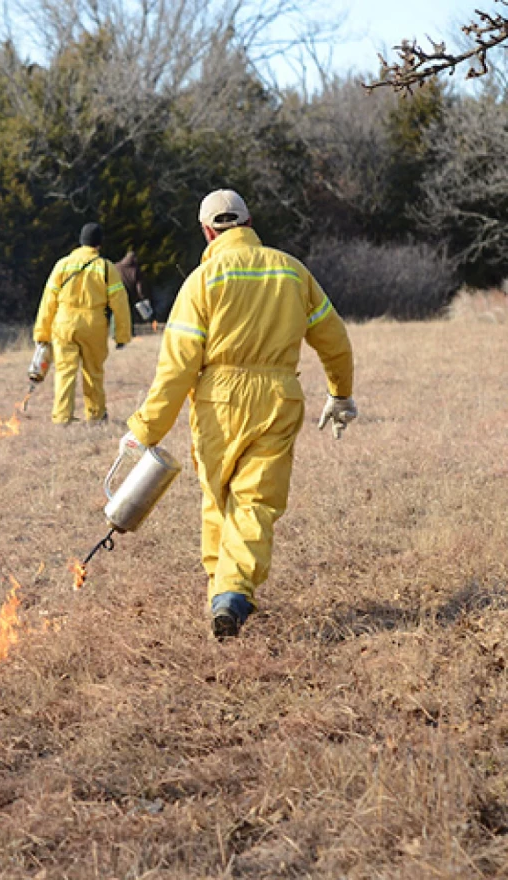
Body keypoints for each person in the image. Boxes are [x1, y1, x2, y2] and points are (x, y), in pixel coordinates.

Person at [119, 190, 356, 639]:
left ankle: (222, 590)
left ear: (208, 232)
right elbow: (334, 339)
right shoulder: (292, 270)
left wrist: (144, 428)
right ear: (250, 221)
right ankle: (230, 592)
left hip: (217, 401)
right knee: (255, 500)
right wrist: (340, 394)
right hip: (279, 398)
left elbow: (177, 367)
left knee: (217, 497)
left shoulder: (201, 280)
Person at [32, 223, 132, 424]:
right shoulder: (106, 267)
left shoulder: (62, 264)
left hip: (64, 323)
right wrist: (122, 335)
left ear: (80, 241)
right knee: (93, 372)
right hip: (93, 324)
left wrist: (42, 334)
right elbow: (120, 304)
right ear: (99, 244)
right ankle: (95, 416)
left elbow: (48, 301)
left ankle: (62, 418)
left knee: (64, 371)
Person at [116, 249, 154, 323]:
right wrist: (142, 297)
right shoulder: (135, 270)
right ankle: (130, 332)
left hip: (116, 295)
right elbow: (139, 287)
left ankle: (114, 332)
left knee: (116, 315)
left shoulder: (116, 267)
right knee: (129, 316)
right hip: (130, 296)